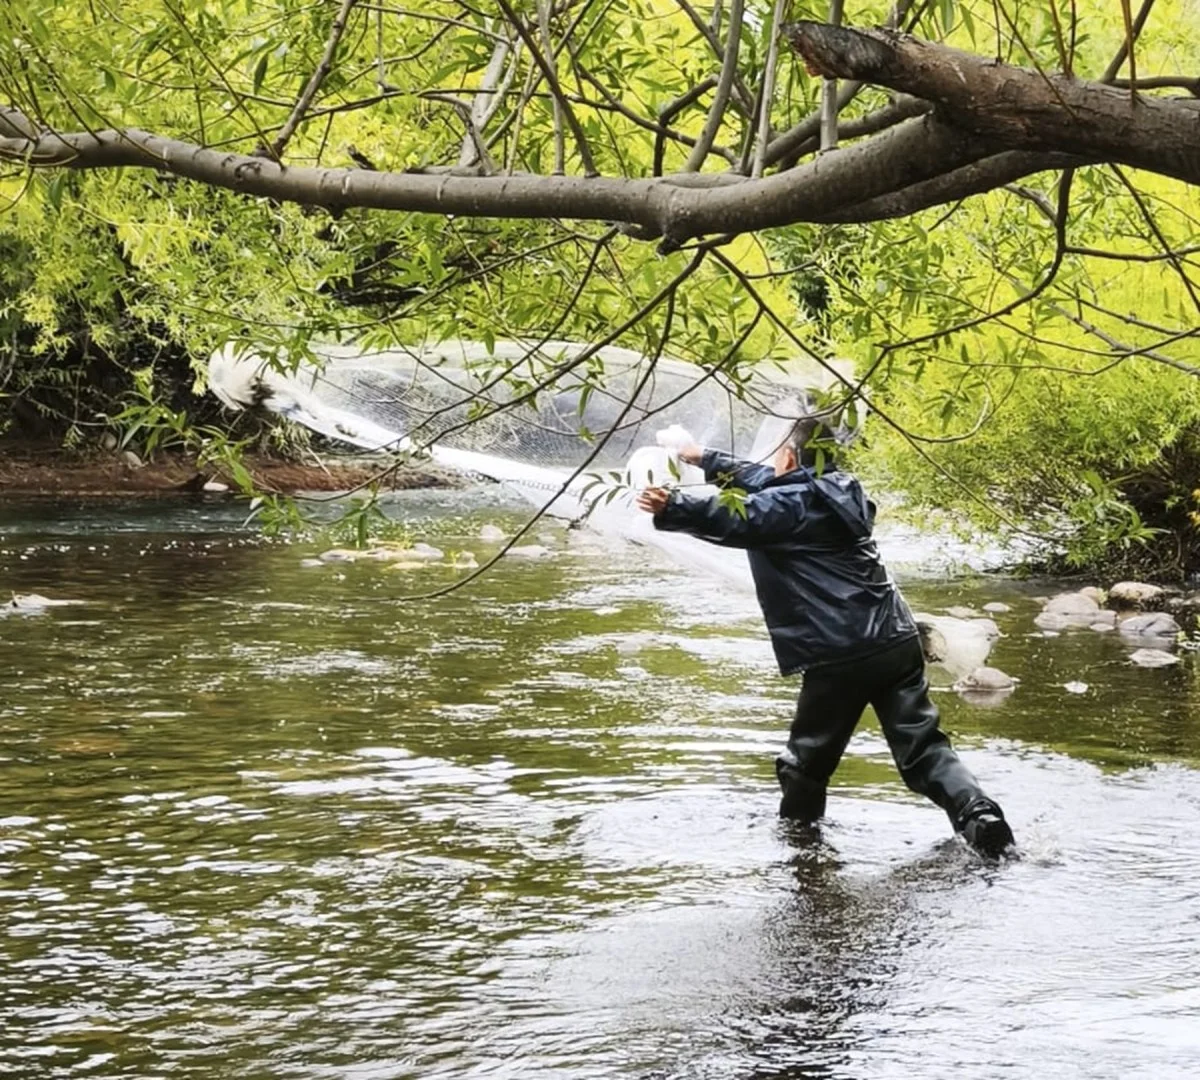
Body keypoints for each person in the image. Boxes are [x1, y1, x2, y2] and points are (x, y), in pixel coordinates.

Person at [635, 417, 1015, 857]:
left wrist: (671, 505)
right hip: (896, 640)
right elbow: (761, 483)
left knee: (806, 762)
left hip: (842, 654)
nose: (770, 460)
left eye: (776, 451)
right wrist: (701, 458)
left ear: (791, 457)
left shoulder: (789, 505)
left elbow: (740, 514)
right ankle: (980, 818)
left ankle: (800, 846)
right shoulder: (839, 489)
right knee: (924, 748)